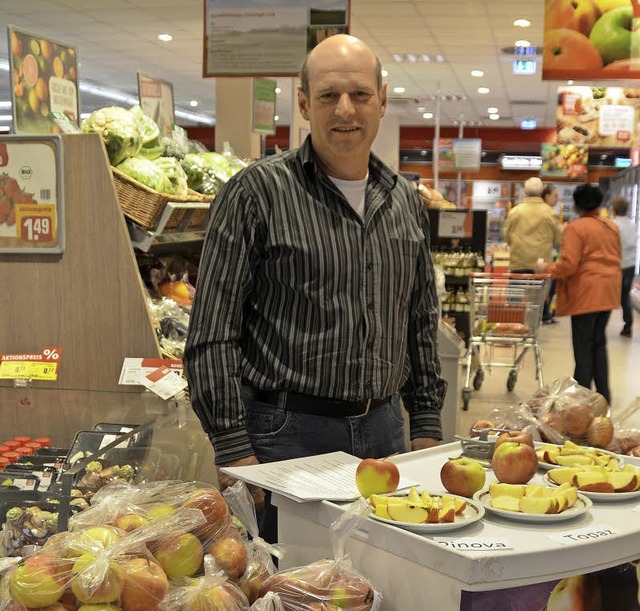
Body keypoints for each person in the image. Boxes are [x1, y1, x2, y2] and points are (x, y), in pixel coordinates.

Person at [183, 34, 446, 540]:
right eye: (328, 96)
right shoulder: (256, 193)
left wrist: (427, 422)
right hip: (285, 437)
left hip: (385, 433)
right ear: (303, 103)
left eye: (360, 94)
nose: (345, 109)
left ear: (382, 100)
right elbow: (212, 331)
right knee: (291, 594)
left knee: (381, 584)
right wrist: (233, 445)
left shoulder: (405, 202)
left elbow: (419, 318)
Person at [535, 184, 621, 403]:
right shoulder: (611, 226)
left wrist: (546, 268)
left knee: (582, 346)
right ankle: (603, 396)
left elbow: (569, 265)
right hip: (608, 291)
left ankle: (581, 399)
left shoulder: (576, 228)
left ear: (577, 204)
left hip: (586, 293)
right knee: (598, 345)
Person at [504, 176, 562, 273]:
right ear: (541, 192)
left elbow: (507, 239)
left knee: (518, 288)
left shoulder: (514, 212)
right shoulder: (549, 212)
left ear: (525, 192)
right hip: (541, 266)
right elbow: (557, 239)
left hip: (518, 265)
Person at [609, 195, 637, 337]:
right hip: (630, 266)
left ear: (613, 209)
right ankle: (628, 326)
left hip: (616, 266)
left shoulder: (612, 225)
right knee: (625, 296)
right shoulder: (633, 224)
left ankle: (600, 325)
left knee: (607, 295)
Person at [540, 183, 561, 325]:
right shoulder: (549, 213)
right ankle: (545, 314)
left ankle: (545, 313)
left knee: (547, 287)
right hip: (547, 255)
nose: (557, 199)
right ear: (547, 196)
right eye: (555, 196)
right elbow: (557, 237)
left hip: (542, 255)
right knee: (548, 287)